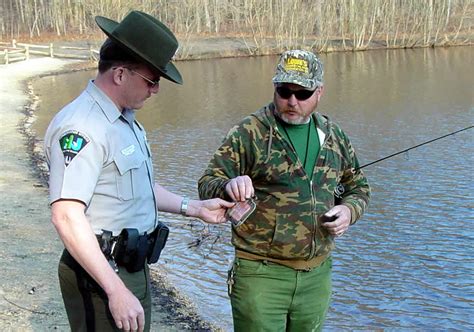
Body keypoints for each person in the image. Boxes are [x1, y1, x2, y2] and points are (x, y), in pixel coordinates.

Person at [44, 11, 233, 332]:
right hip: (101, 274)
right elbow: (66, 216)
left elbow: (138, 188)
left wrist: (195, 208)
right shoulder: (82, 127)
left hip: (131, 265)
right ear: (119, 75)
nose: (156, 89)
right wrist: (115, 290)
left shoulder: (123, 119)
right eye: (152, 80)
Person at [198, 50, 371, 331]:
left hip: (317, 275)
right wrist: (228, 186)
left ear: (319, 92)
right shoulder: (249, 132)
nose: (292, 101)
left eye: (302, 94)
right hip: (260, 274)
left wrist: (349, 211)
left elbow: (359, 188)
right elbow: (208, 182)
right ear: (274, 88)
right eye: (284, 92)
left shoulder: (334, 136)